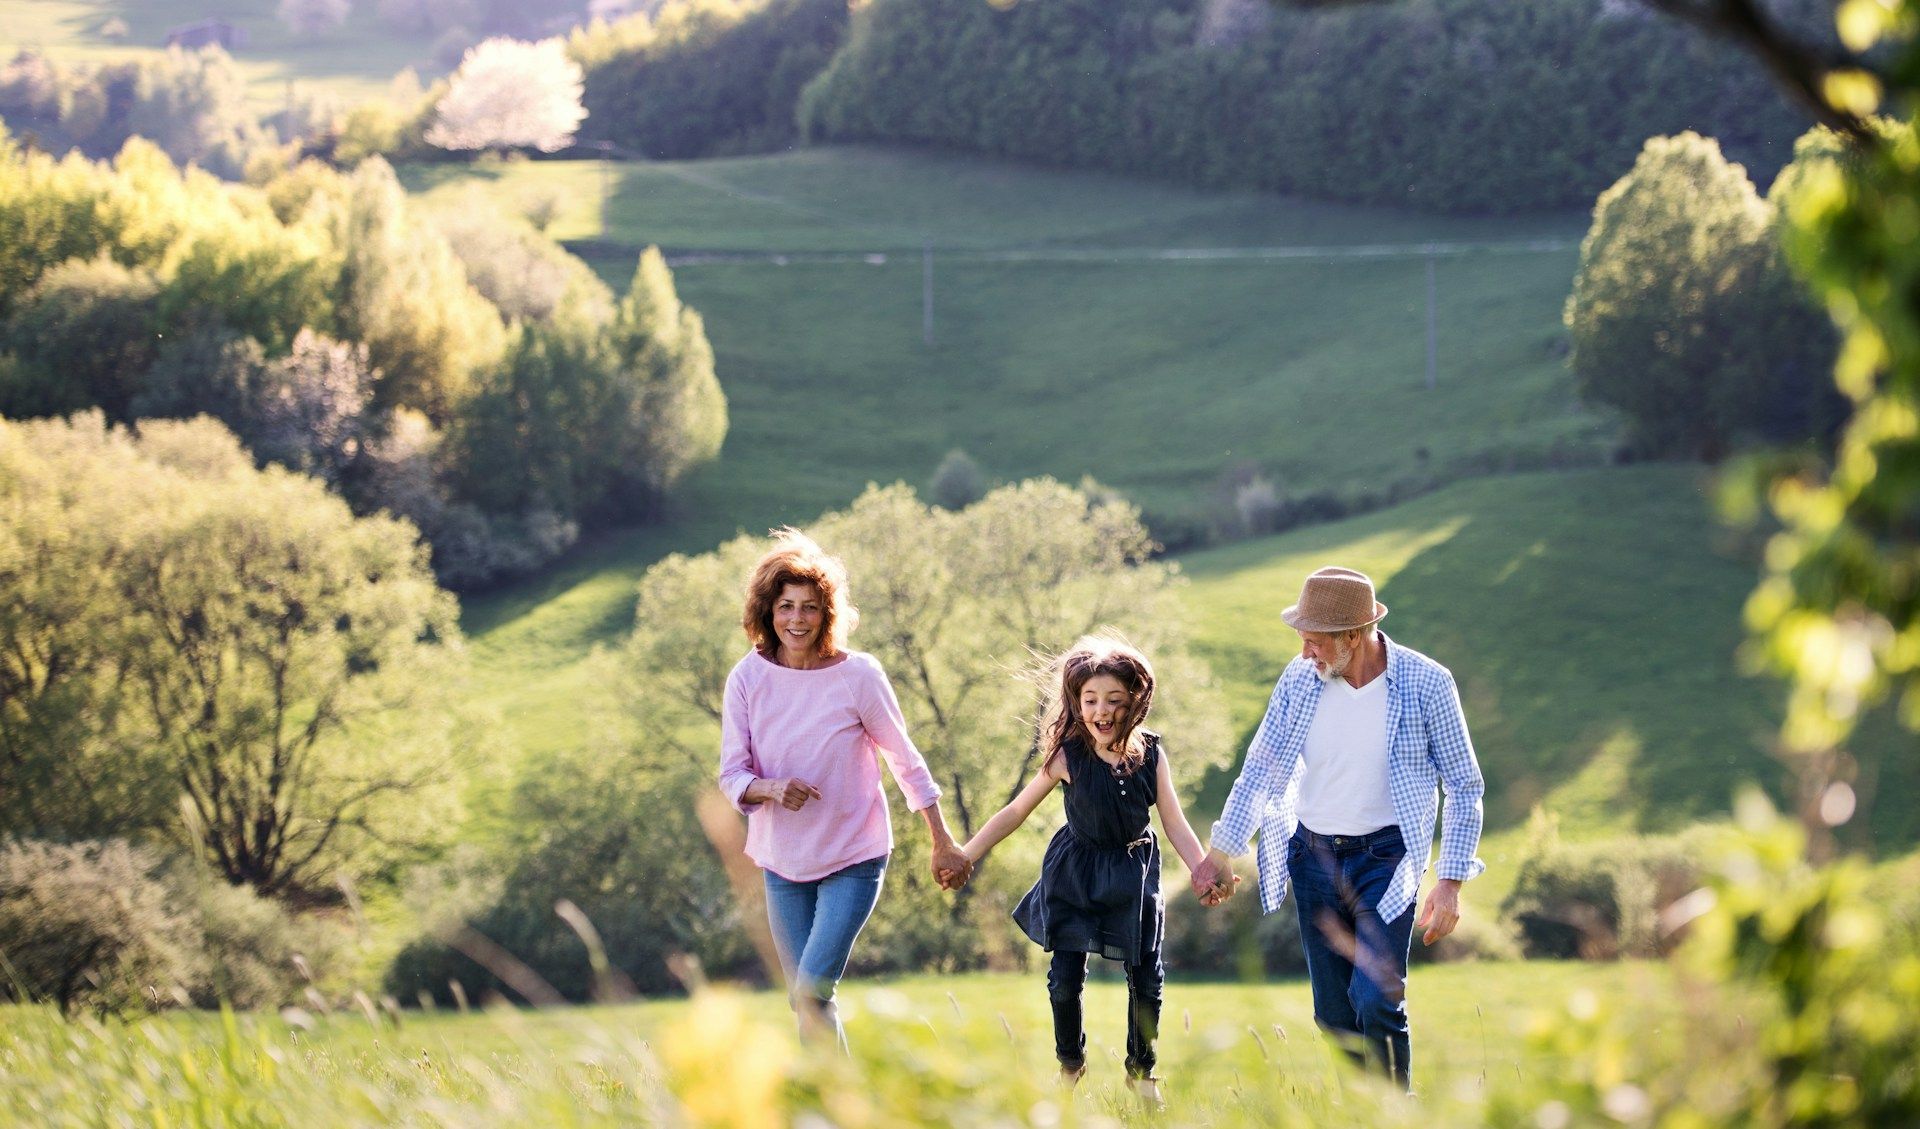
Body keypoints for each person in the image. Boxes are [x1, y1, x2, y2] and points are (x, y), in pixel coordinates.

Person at [1193, 566, 1484, 1091]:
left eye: (1314, 642)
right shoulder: (1299, 680)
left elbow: (1465, 785)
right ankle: (1362, 1112)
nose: (1306, 653)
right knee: (1333, 1016)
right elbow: (1263, 768)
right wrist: (1221, 852)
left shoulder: (1427, 683)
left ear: (1354, 634)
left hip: (1388, 862)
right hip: (1313, 860)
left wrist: (1451, 881)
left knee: (1377, 999)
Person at [718, 529, 973, 1051]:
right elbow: (731, 775)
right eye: (785, 606)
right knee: (806, 1000)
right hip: (782, 862)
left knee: (811, 991)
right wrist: (769, 788)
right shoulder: (746, 679)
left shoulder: (859, 675)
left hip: (854, 855)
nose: (796, 619)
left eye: (809, 608)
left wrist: (941, 840)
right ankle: (840, 1105)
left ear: (827, 613)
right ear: (767, 611)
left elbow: (905, 761)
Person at [952, 636, 1213, 1106]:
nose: (1102, 710)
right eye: (1090, 700)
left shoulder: (1152, 755)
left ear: (1135, 702)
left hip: (1133, 873)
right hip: (1075, 872)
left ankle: (1142, 1073)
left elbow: (1173, 821)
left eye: (1114, 699)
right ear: (1077, 704)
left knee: (1147, 978)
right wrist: (967, 853)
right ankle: (1070, 1064)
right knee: (1065, 978)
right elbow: (1015, 812)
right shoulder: (1067, 756)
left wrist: (1200, 870)